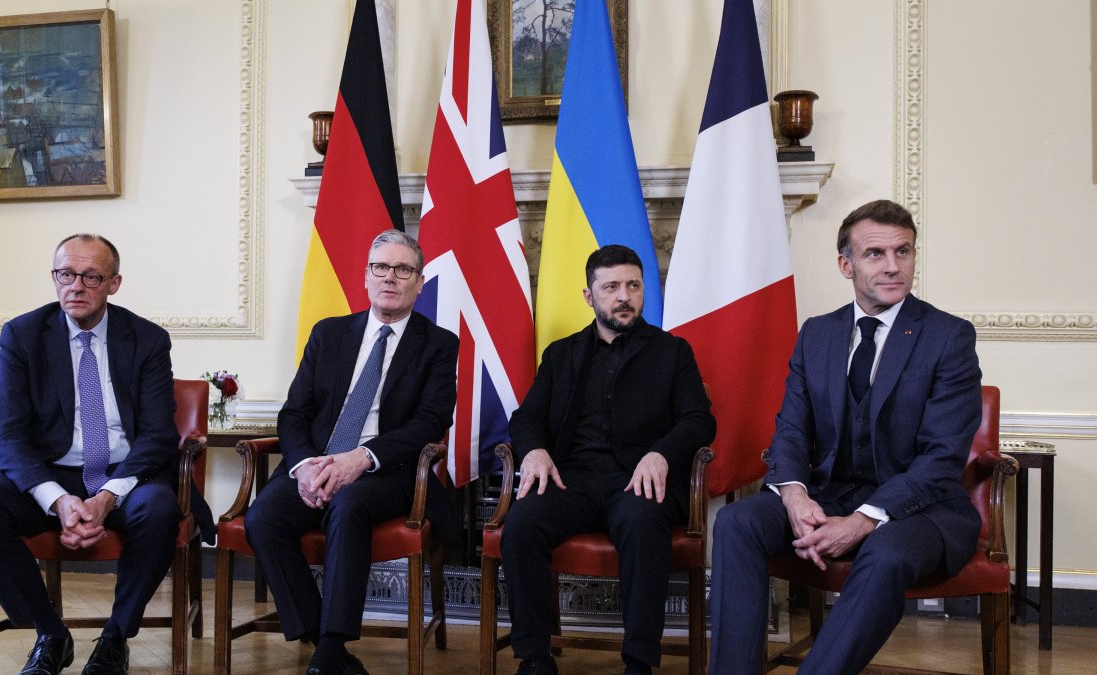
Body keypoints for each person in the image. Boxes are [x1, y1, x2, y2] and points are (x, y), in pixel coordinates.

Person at [708, 199, 984, 673]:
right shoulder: (817, 333)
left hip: (922, 512)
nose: (893, 266)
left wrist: (864, 520)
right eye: (875, 254)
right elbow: (792, 428)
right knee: (738, 523)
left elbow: (941, 459)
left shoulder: (948, 337)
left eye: (904, 251)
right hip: (828, 493)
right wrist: (794, 496)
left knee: (886, 549)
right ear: (845, 264)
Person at [0, 234, 214, 675]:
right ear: (54, 278)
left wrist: (106, 497)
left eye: (91, 276)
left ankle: (115, 638)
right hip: (50, 474)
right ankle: (50, 633)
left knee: (161, 509)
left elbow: (155, 436)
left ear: (114, 283)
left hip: (125, 475)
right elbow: (7, 437)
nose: (76, 286)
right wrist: (58, 500)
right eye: (66, 274)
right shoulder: (23, 335)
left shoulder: (146, 339)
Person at [245, 229, 459, 675]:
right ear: (366, 277)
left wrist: (361, 459)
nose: (390, 278)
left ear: (419, 282)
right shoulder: (330, 334)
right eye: (381, 267)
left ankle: (330, 646)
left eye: (403, 270)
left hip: (388, 471)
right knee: (263, 516)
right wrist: (305, 467)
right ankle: (326, 643)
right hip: (317, 462)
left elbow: (430, 423)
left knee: (348, 503)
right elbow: (294, 413)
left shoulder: (438, 344)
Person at [502, 244, 716, 675]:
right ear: (589, 296)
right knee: (522, 523)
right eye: (612, 286)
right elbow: (525, 418)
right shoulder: (561, 354)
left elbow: (699, 421)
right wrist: (536, 450)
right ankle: (535, 658)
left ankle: (639, 662)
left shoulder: (672, 352)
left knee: (641, 521)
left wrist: (660, 454)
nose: (624, 296)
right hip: (572, 481)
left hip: (639, 481)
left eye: (633, 286)